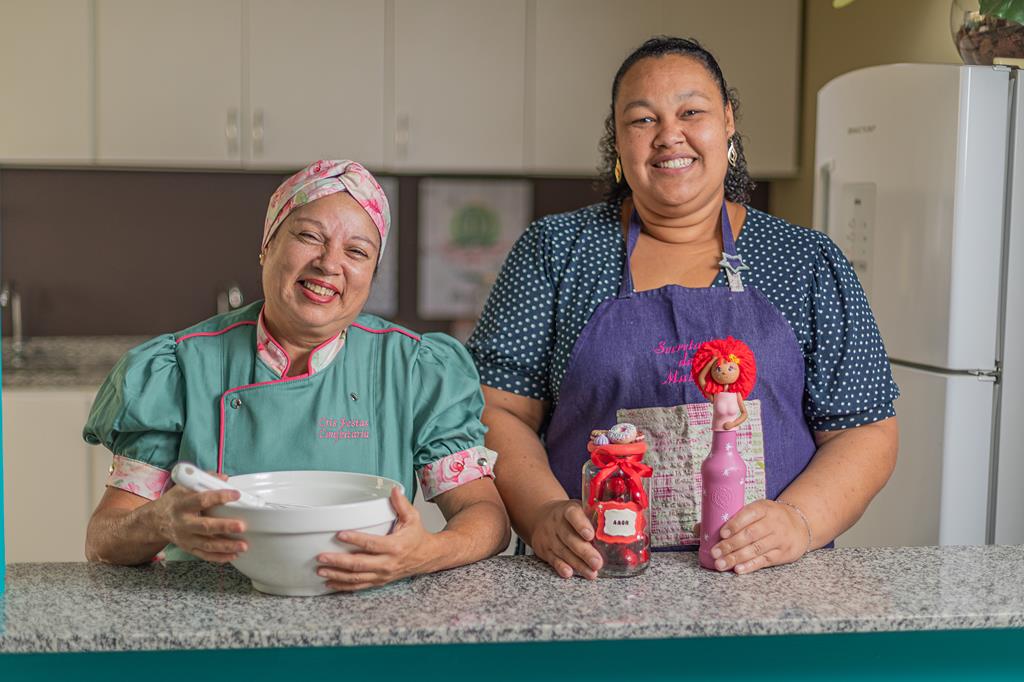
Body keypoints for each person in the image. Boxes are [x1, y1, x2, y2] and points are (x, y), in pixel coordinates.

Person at [467, 37, 899, 579]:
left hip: (768, 587)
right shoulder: (556, 251)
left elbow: (865, 430)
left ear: (727, 122)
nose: (670, 134)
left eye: (691, 112)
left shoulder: (805, 261)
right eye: (642, 120)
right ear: (618, 141)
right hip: (587, 581)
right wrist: (542, 514)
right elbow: (495, 408)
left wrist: (800, 521)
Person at [84, 160, 510, 592]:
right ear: (266, 247)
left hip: (366, 614)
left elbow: (486, 517)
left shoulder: (413, 370)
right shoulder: (181, 367)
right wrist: (160, 522)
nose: (329, 264)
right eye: (309, 236)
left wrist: (424, 555)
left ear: (371, 277)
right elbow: (104, 537)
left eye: (357, 252)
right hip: (208, 611)